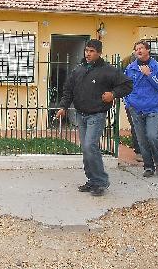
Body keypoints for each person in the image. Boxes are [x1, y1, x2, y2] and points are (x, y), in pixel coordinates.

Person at [56, 39, 132, 196]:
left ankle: (101, 181)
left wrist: (113, 94)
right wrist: (63, 107)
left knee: (90, 146)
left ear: (99, 53)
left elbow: (127, 85)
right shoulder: (79, 69)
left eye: (91, 51)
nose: (88, 54)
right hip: (81, 115)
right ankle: (92, 181)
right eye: (86, 51)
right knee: (86, 149)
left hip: (96, 115)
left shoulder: (108, 70)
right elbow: (68, 90)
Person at [124, 40, 158, 177]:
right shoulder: (130, 68)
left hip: (153, 109)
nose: (139, 51)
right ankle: (148, 167)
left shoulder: (157, 67)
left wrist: (149, 74)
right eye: (136, 49)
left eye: (141, 48)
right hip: (135, 109)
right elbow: (125, 86)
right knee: (141, 140)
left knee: (152, 136)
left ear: (148, 50)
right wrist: (128, 103)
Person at [121, 51, 142, 162]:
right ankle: (139, 151)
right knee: (136, 125)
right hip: (131, 100)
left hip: (146, 101)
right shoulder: (126, 61)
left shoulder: (149, 63)